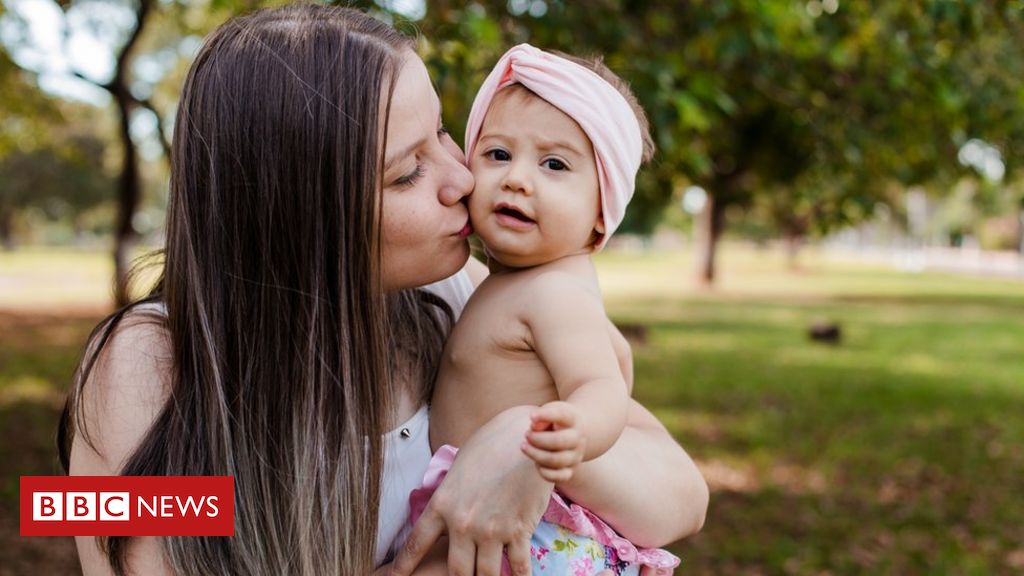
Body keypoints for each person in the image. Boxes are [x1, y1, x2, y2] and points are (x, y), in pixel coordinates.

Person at [57, 5, 708, 576]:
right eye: (407, 173)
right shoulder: (150, 360)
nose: (462, 177)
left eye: (447, 135)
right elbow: (68, 516)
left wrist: (518, 445)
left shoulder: (452, 296)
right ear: (297, 213)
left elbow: (684, 496)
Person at [408, 44, 678, 575]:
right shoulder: (511, 283)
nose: (516, 178)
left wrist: (566, 433)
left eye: (554, 164)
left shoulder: (553, 293)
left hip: (531, 533)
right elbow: (193, 513)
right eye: (498, 154)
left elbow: (602, 388)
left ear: (603, 213)